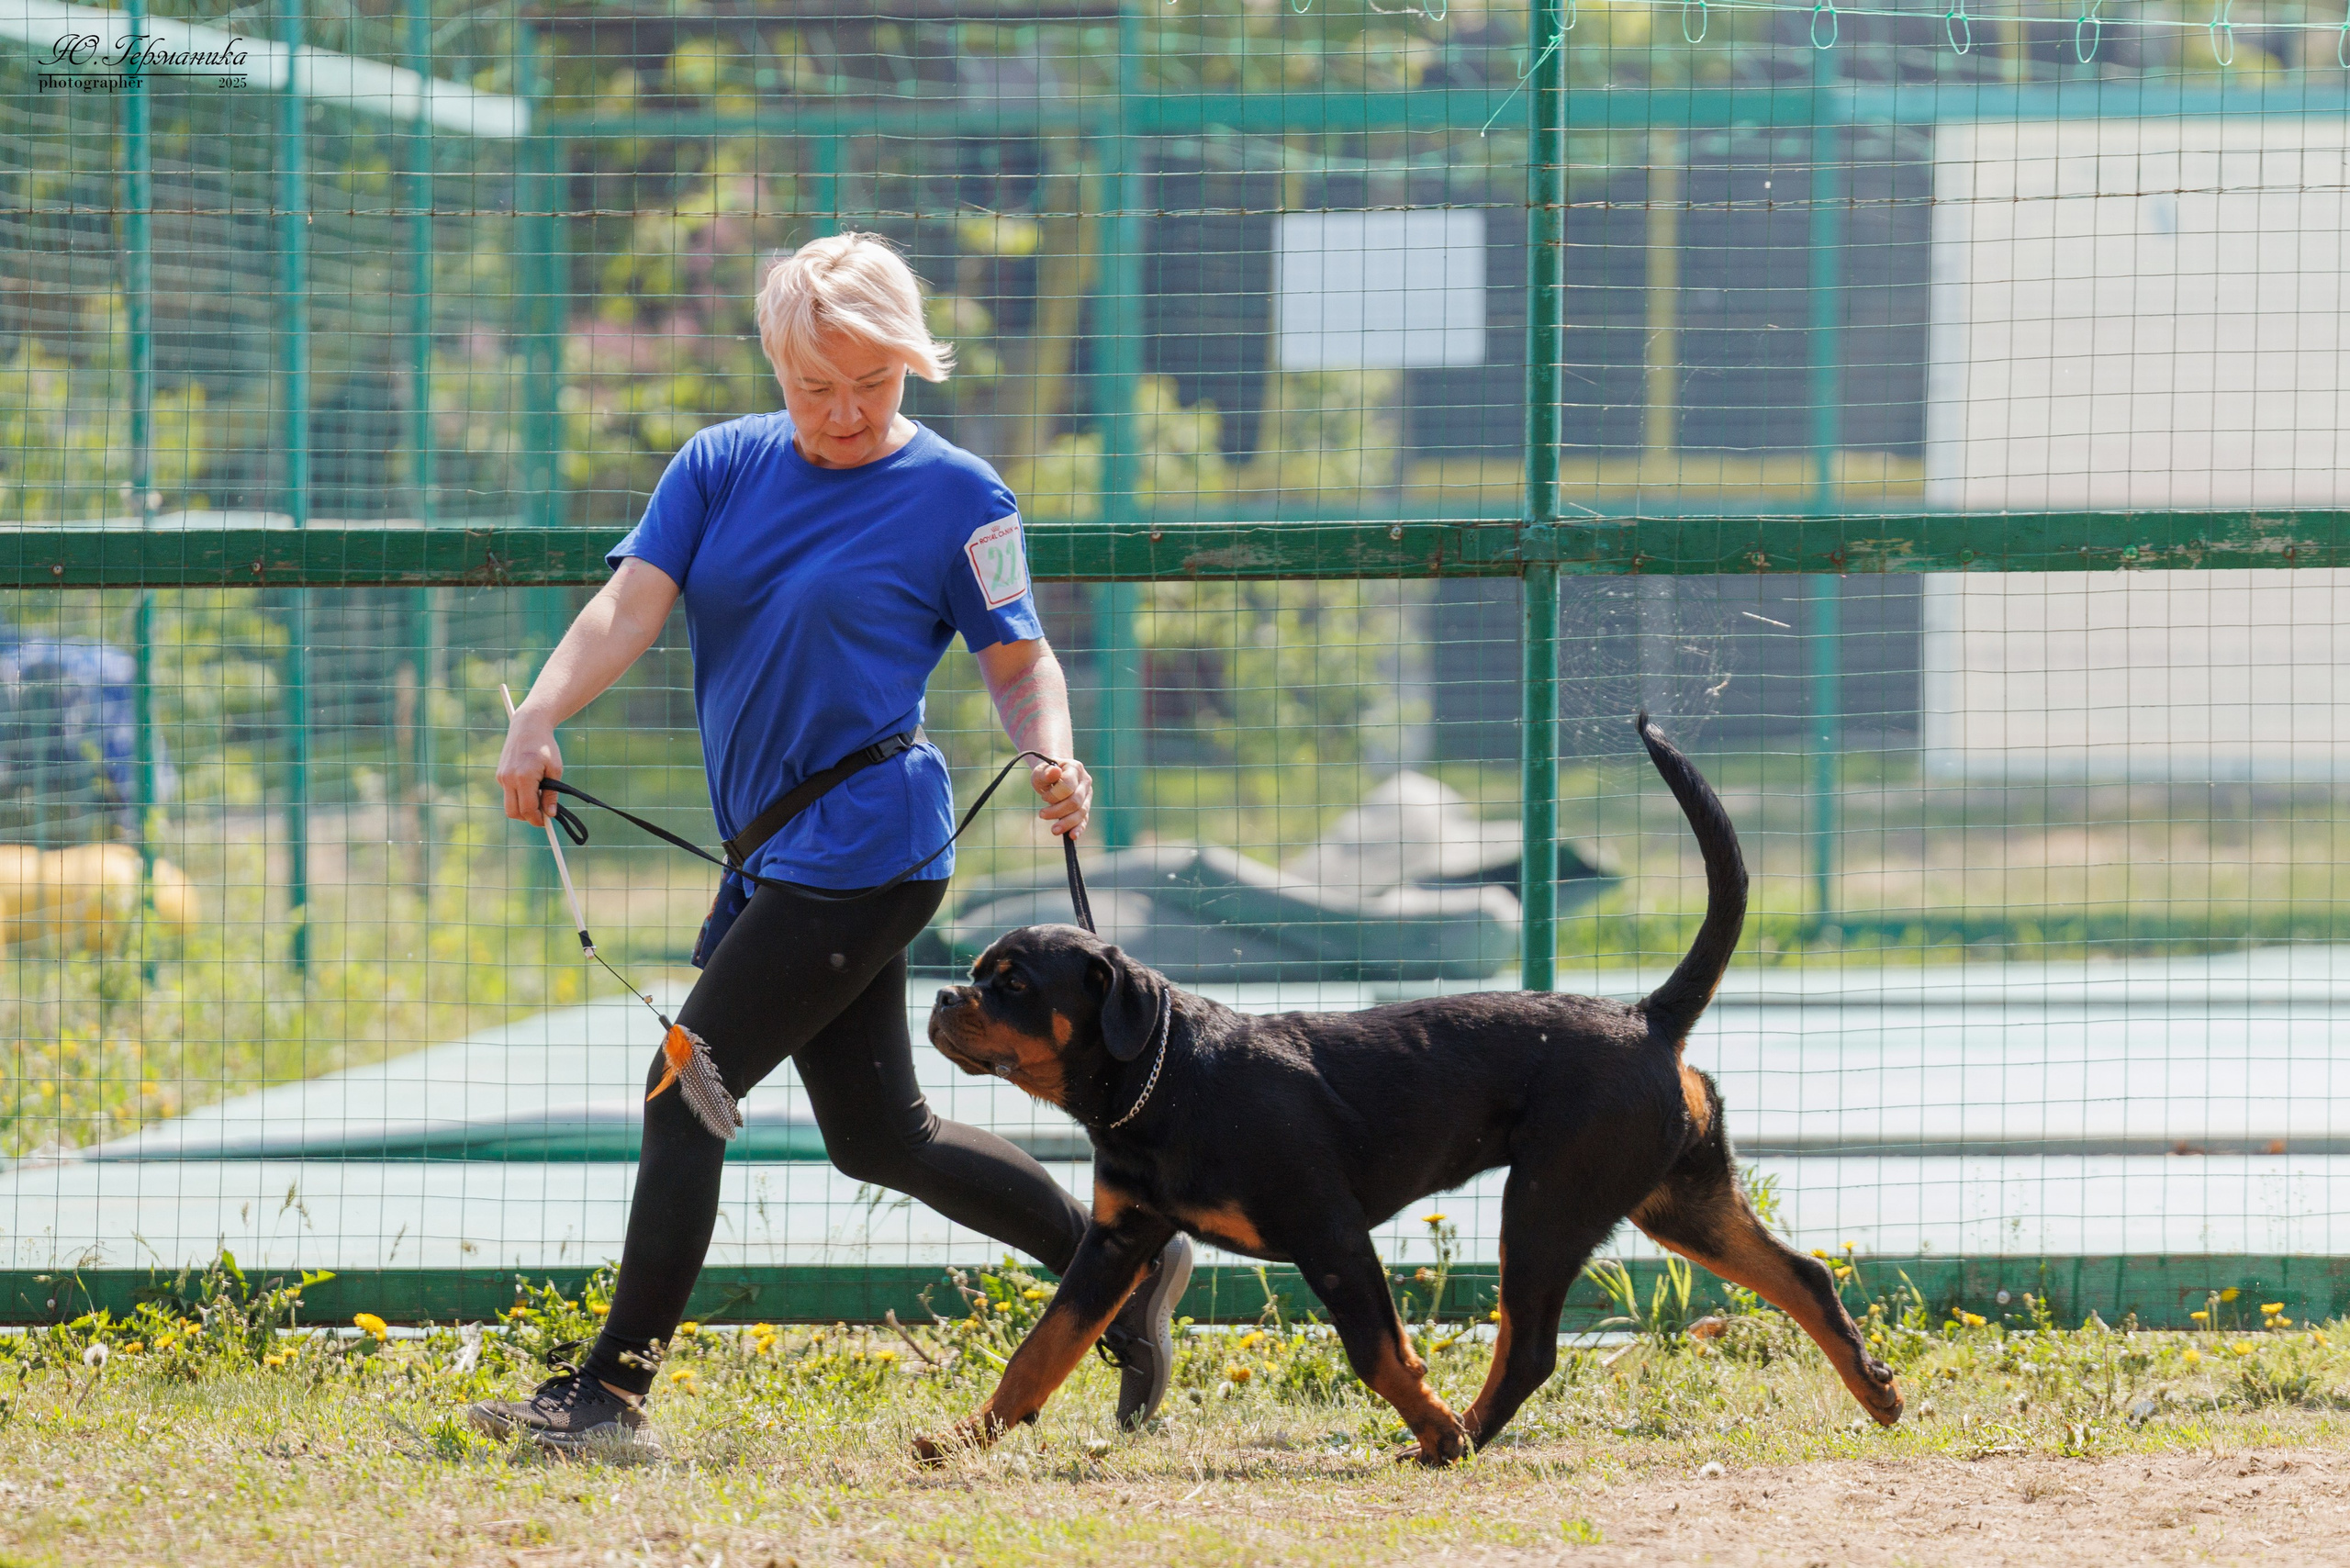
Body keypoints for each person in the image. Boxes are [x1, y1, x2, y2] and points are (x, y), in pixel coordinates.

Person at [467, 232, 1192, 1451]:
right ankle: (1125, 1268)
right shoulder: (717, 468)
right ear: (775, 364)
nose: (847, 412)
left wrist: (1052, 753)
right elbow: (628, 605)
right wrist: (538, 715)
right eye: (818, 386)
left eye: (876, 383)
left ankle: (609, 1397)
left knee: (684, 1090)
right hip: (772, 853)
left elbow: (1020, 663)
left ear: (912, 365)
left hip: (869, 848)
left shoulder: (963, 496)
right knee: (882, 1140)